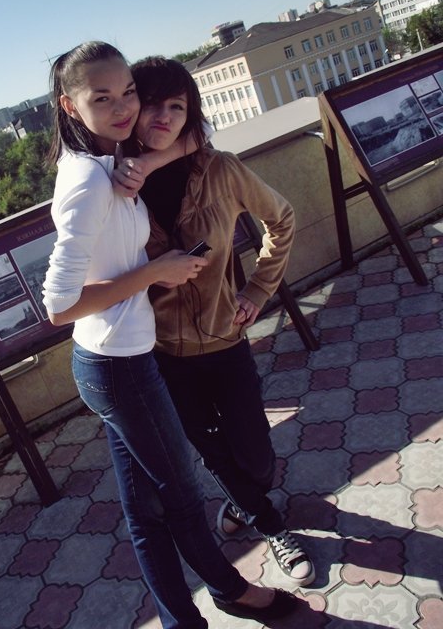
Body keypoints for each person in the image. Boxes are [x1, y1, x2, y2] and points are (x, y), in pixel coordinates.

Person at [41, 41, 297, 629]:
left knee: (149, 510)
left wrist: (255, 289)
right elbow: (58, 306)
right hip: (129, 360)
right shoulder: (93, 178)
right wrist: (157, 271)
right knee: (181, 496)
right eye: (104, 98)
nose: (127, 108)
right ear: (71, 106)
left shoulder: (112, 162)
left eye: (128, 93)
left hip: (135, 354)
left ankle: (186, 617)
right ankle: (236, 586)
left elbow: (197, 136)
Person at [113, 55, 315, 587]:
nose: (163, 116)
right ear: (131, 108)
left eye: (176, 107)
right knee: (212, 450)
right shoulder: (115, 188)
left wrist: (258, 288)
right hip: (160, 354)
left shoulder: (219, 170)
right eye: (151, 103)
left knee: (257, 456)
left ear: (190, 115)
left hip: (225, 339)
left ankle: (244, 502)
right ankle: (271, 525)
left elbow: (282, 218)